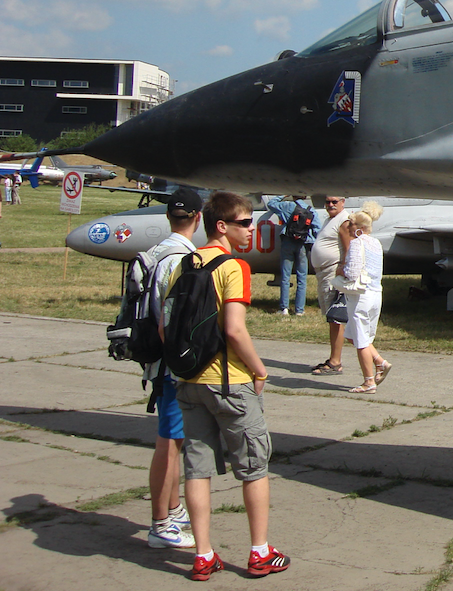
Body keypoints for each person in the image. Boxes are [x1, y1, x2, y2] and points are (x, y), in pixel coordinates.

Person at [165, 191, 288, 580]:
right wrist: (259, 369)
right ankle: (259, 551)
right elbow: (234, 329)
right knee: (253, 466)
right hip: (229, 382)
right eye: (245, 223)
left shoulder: (183, 264)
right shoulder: (233, 267)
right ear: (223, 226)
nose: (252, 230)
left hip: (189, 382)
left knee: (197, 468)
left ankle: (203, 555)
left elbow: (165, 323)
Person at [144, 186, 204, 550]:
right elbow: (174, 319)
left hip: (157, 359)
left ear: (169, 216)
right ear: (197, 218)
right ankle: (159, 524)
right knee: (168, 442)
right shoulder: (183, 258)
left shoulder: (156, 252)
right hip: (174, 364)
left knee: (174, 440)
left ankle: (173, 507)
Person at [338, 202, 390, 393]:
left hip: (361, 295)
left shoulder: (356, 244)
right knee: (352, 334)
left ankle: (369, 381)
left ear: (358, 228)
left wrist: (341, 269)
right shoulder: (375, 243)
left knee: (360, 338)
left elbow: (352, 273)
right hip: (376, 292)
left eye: (350, 224)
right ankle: (379, 362)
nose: (348, 228)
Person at [308, 195, 351, 376]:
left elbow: (349, 248)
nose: (330, 205)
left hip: (333, 274)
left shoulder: (344, 221)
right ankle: (333, 358)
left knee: (335, 318)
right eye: (328, 202)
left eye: (335, 201)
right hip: (324, 272)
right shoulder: (330, 219)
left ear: (343, 202)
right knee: (331, 318)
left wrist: (342, 268)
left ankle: (335, 361)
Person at [264, 195, 317, 315]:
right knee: (302, 277)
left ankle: (284, 308)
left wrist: (283, 195)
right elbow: (317, 228)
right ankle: (299, 310)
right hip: (303, 244)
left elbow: (271, 203)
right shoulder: (310, 209)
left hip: (288, 242)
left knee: (285, 276)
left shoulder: (286, 206)